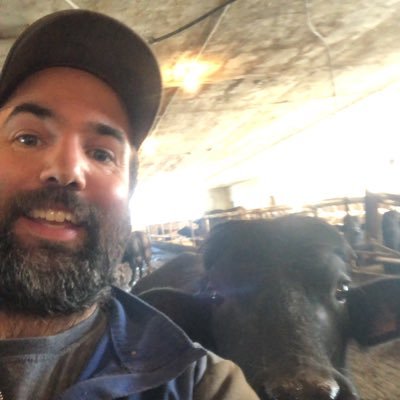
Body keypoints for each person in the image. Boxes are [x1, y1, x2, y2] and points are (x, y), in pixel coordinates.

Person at [0, 9, 259, 400]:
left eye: (102, 154)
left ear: (129, 196)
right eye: (28, 138)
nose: (67, 170)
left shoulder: (200, 386)